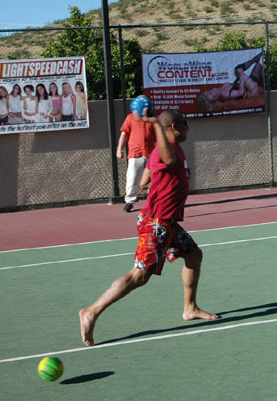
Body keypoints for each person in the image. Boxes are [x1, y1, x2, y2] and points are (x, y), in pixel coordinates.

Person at [79, 109, 219, 347]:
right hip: (157, 223)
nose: (188, 128)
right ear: (174, 126)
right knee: (139, 276)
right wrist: (155, 124)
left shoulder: (166, 150)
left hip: (168, 222)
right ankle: (91, 312)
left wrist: (169, 179)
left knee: (194, 255)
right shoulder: (169, 150)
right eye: (185, 124)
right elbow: (167, 160)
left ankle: (190, 308)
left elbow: (144, 182)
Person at [117, 106, 156, 212]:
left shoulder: (153, 119)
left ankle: (152, 201)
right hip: (135, 154)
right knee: (132, 178)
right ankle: (130, 201)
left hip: (151, 154)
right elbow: (124, 134)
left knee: (153, 179)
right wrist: (119, 149)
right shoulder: (130, 118)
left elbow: (159, 136)